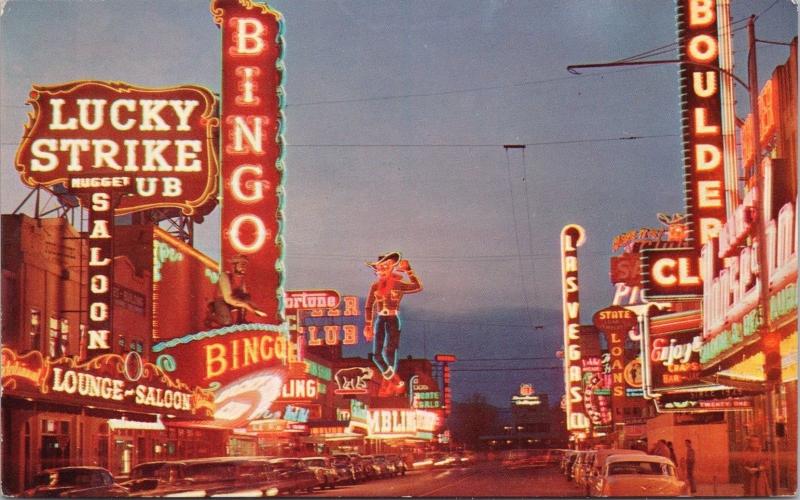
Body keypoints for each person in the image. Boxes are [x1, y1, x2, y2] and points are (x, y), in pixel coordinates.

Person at [363, 252, 422, 394]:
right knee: (377, 355)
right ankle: (394, 380)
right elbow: (369, 305)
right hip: (380, 319)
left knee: (389, 350)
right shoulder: (375, 286)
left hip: (393, 319)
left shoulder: (398, 284)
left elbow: (417, 286)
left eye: (384, 267)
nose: (381, 271)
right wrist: (368, 325)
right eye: (378, 268)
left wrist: (409, 270)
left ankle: (390, 385)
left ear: (391, 268)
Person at [206, 254, 267, 327]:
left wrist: (256, 308)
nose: (244, 268)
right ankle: (210, 317)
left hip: (234, 300)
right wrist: (248, 307)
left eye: (245, 265)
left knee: (245, 298)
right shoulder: (224, 276)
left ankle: (241, 320)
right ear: (234, 265)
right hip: (222, 301)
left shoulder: (241, 278)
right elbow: (228, 299)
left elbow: (246, 296)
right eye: (242, 265)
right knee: (226, 321)